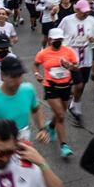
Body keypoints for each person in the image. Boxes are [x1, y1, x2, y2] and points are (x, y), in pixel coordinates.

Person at [0, 56, 46, 144]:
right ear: (2, 76)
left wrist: (42, 129)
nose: (18, 81)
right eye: (13, 76)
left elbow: (36, 109)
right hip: (2, 150)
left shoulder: (28, 90)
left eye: (19, 75)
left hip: (24, 144)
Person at [34, 28, 79, 158]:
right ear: (49, 40)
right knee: (60, 114)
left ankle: (52, 126)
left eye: (60, 39)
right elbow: (36, 64)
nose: (58, 42)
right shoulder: (43, 53)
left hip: (65, 86)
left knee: (61, 113)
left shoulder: (68, 51)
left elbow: (76, 67)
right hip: (51, 86)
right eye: (56, 40)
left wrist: (70, 66)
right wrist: (37, 74)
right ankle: (64, 146)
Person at [59, 0, 94, 120]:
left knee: (82, 84)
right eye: (83, 11)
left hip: (86, 56)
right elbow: (58, 34)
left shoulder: (92, 20)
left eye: (87, 11)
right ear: (77, 9)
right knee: (78, 85)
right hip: (71, 56)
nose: (86, 13)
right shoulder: (67, 20)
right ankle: (77, 111)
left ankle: (74, 103)